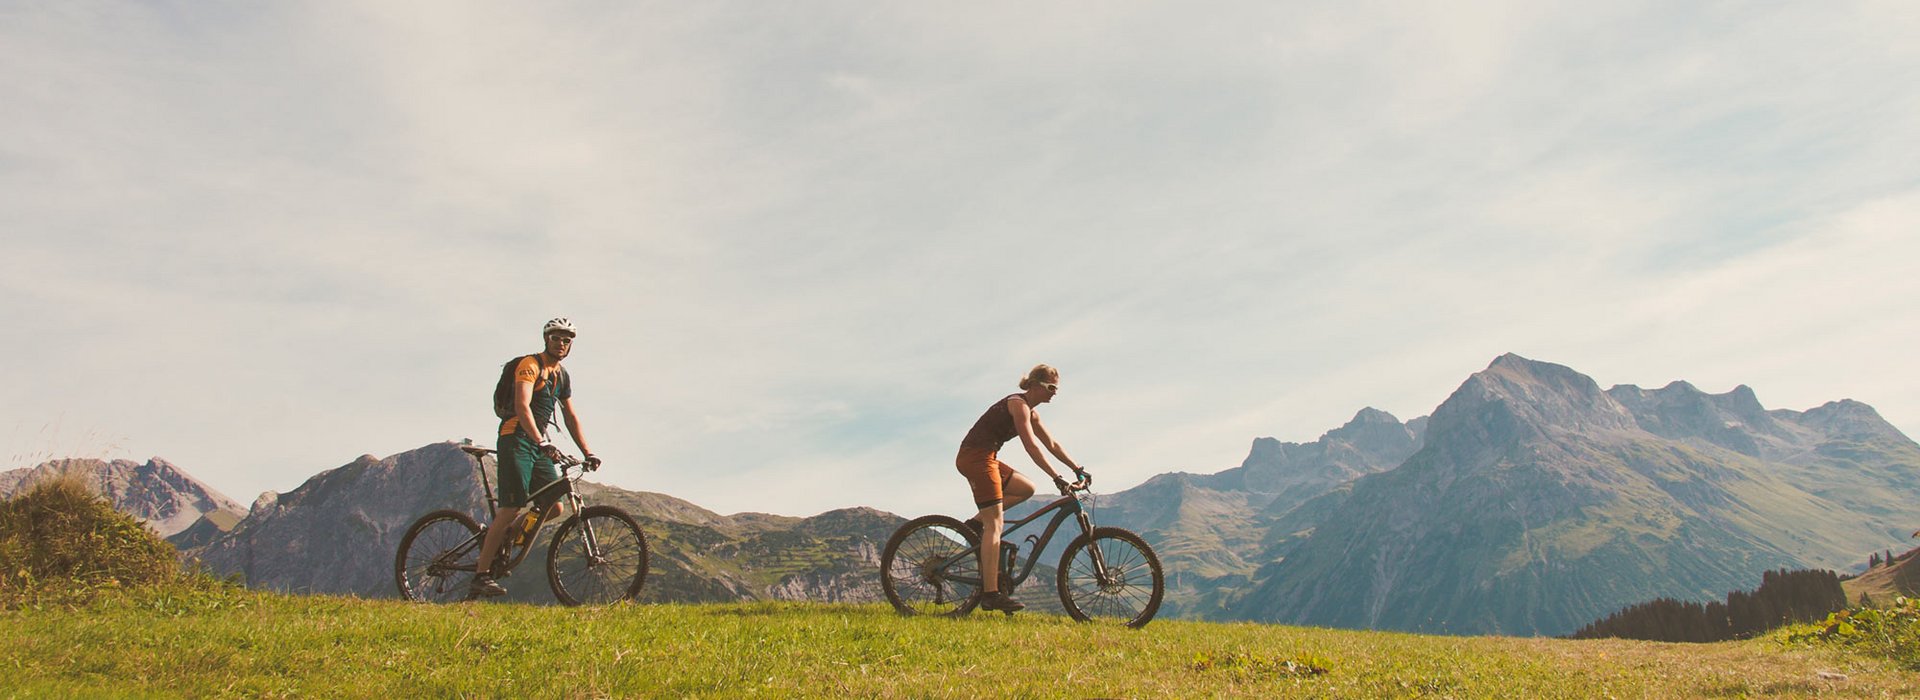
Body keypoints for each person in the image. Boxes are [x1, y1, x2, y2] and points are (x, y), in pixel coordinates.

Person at [470, 317, 599, 597]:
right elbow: (522, 405)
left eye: (567, 339)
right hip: (515, 438)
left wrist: (587, 452)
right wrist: (541, 441)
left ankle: (506, 537)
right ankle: (481, 574)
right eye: (557, 338)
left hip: (538, 444)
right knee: (510, 507)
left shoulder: (561, 375)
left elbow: (570, 416)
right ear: (546, 339)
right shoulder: (530, 365)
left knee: (554, 507)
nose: (562, 343)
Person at [955, 363, 1087, 612]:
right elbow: (1031, 445)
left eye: (1057, 388)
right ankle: (991, 594)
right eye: (1051, 387)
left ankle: (974, 523)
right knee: (995, 523)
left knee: (1026, 488)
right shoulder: (1018, 404)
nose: (1054, 393)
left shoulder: (1032, 412)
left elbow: (1052, 444)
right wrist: (1056, 476)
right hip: (975, 457)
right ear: (1036, 385)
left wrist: (1077, 468)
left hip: (987, 457)